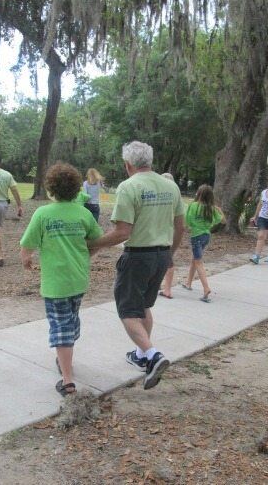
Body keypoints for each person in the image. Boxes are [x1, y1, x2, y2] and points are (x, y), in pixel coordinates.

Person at [87, 141, 185, 389]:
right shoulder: (170, 186)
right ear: (150, 161)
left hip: (138, 256)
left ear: (127, 164)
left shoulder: (129, 187)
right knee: (142, 306)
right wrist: (169, 253)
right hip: (162, 254)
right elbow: (180, 226)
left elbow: (122, 232)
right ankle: (141, 355)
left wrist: (92, 245)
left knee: (128, 311)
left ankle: (153, 355)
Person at [20, 163, 103, 397]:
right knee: (69, 324)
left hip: (55, 284)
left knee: (61, 327)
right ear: (77, 188)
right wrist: (87, 254)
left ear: (50, 189)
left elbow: (27, 246)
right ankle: (65, 360)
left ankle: (68, 382)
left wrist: (26, 261)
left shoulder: (43, 214)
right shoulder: (83, 214)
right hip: (78, 280)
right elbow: (98, 240)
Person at [183, 184, 225, 302]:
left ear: (198, 193)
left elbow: (188, 221)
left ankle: (206, 289)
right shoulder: (211, 208)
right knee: (195, 259)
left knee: (198, 262)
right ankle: (188, 283)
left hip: (196, 236)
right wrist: (219, 210)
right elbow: (220, 220)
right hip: (207, 235)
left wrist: (193, 226)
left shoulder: (193, 205)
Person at [159, 173, 178, 299]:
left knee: (168, 262)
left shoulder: (161, 199)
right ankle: (165, 287)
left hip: (161, 235)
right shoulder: (174, 199)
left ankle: (167, 289)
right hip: (168, 235)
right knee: (166, 261)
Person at [249, 187, 268, 264]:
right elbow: (260, 204)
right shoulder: (264, 192)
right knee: (261, 236)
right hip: (262, 217)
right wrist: (255, 216)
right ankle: (256, 257)